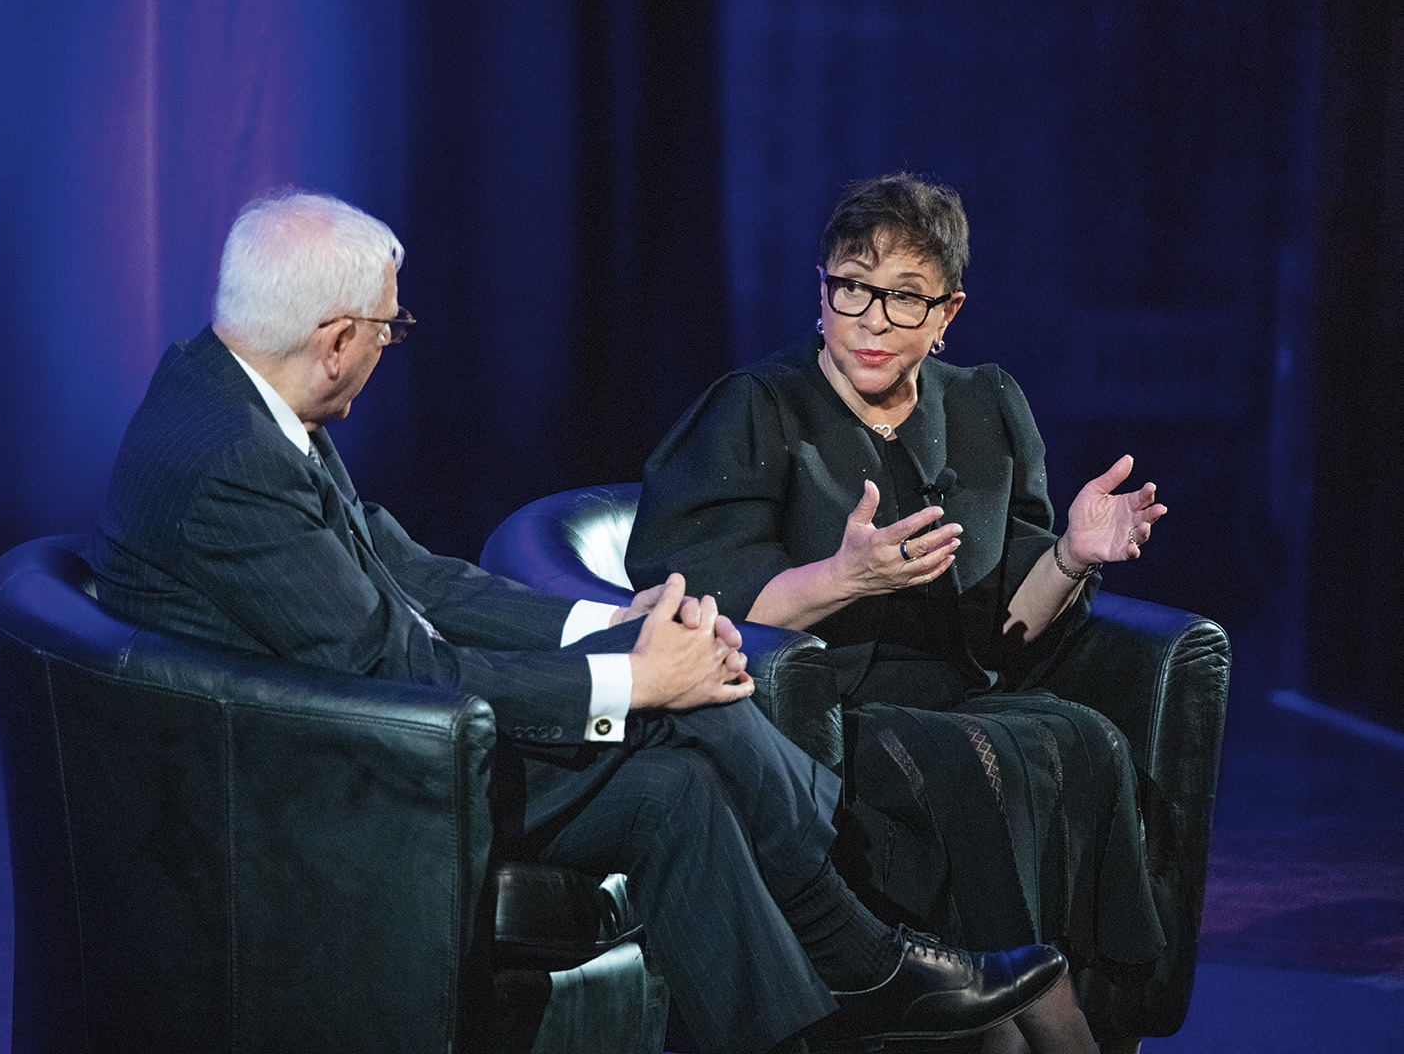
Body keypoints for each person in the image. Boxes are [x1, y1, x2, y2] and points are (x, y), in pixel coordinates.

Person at [90, 190, 1066, 1054]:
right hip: (323, 786)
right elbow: (397, 669)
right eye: (392, 326)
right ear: (338, 336)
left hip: (361, 735)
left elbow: (415, 575)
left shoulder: (244, 396)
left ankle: (828, 1005)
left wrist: (613, 618)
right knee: (678, 713)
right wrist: (640, 678)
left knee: (675, 791)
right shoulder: (228, 461)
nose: (391, 344)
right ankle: (860, 946)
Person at [625, 171, 1168, 1054]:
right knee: (956, 759)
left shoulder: (985, 405)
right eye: (853, 288)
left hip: (957, 689)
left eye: (905, 299)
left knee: (1085, 740)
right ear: (823, 288)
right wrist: (844, 577)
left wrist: (1072, 554)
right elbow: (707, 600)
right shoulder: (756, 409)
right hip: (820, 709)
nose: (873, 318)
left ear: (947, 314)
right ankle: (1037, 1006)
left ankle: (1051, 1001)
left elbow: (1005, 627)